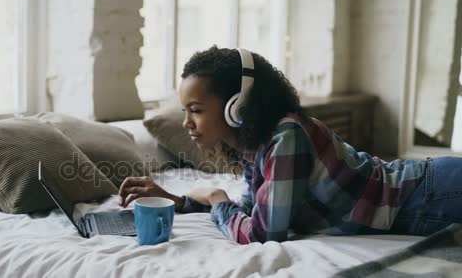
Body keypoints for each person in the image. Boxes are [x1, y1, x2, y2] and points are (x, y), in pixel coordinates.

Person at [119, 45, 462, 244]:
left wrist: (215, 197)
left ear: (236, 106)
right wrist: (176, 202)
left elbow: (263, 234)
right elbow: (249, 212)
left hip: (429, 194)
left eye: (196, 110)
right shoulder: (257, 146)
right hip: (424, 199)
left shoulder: (287, 136)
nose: (186, 122)